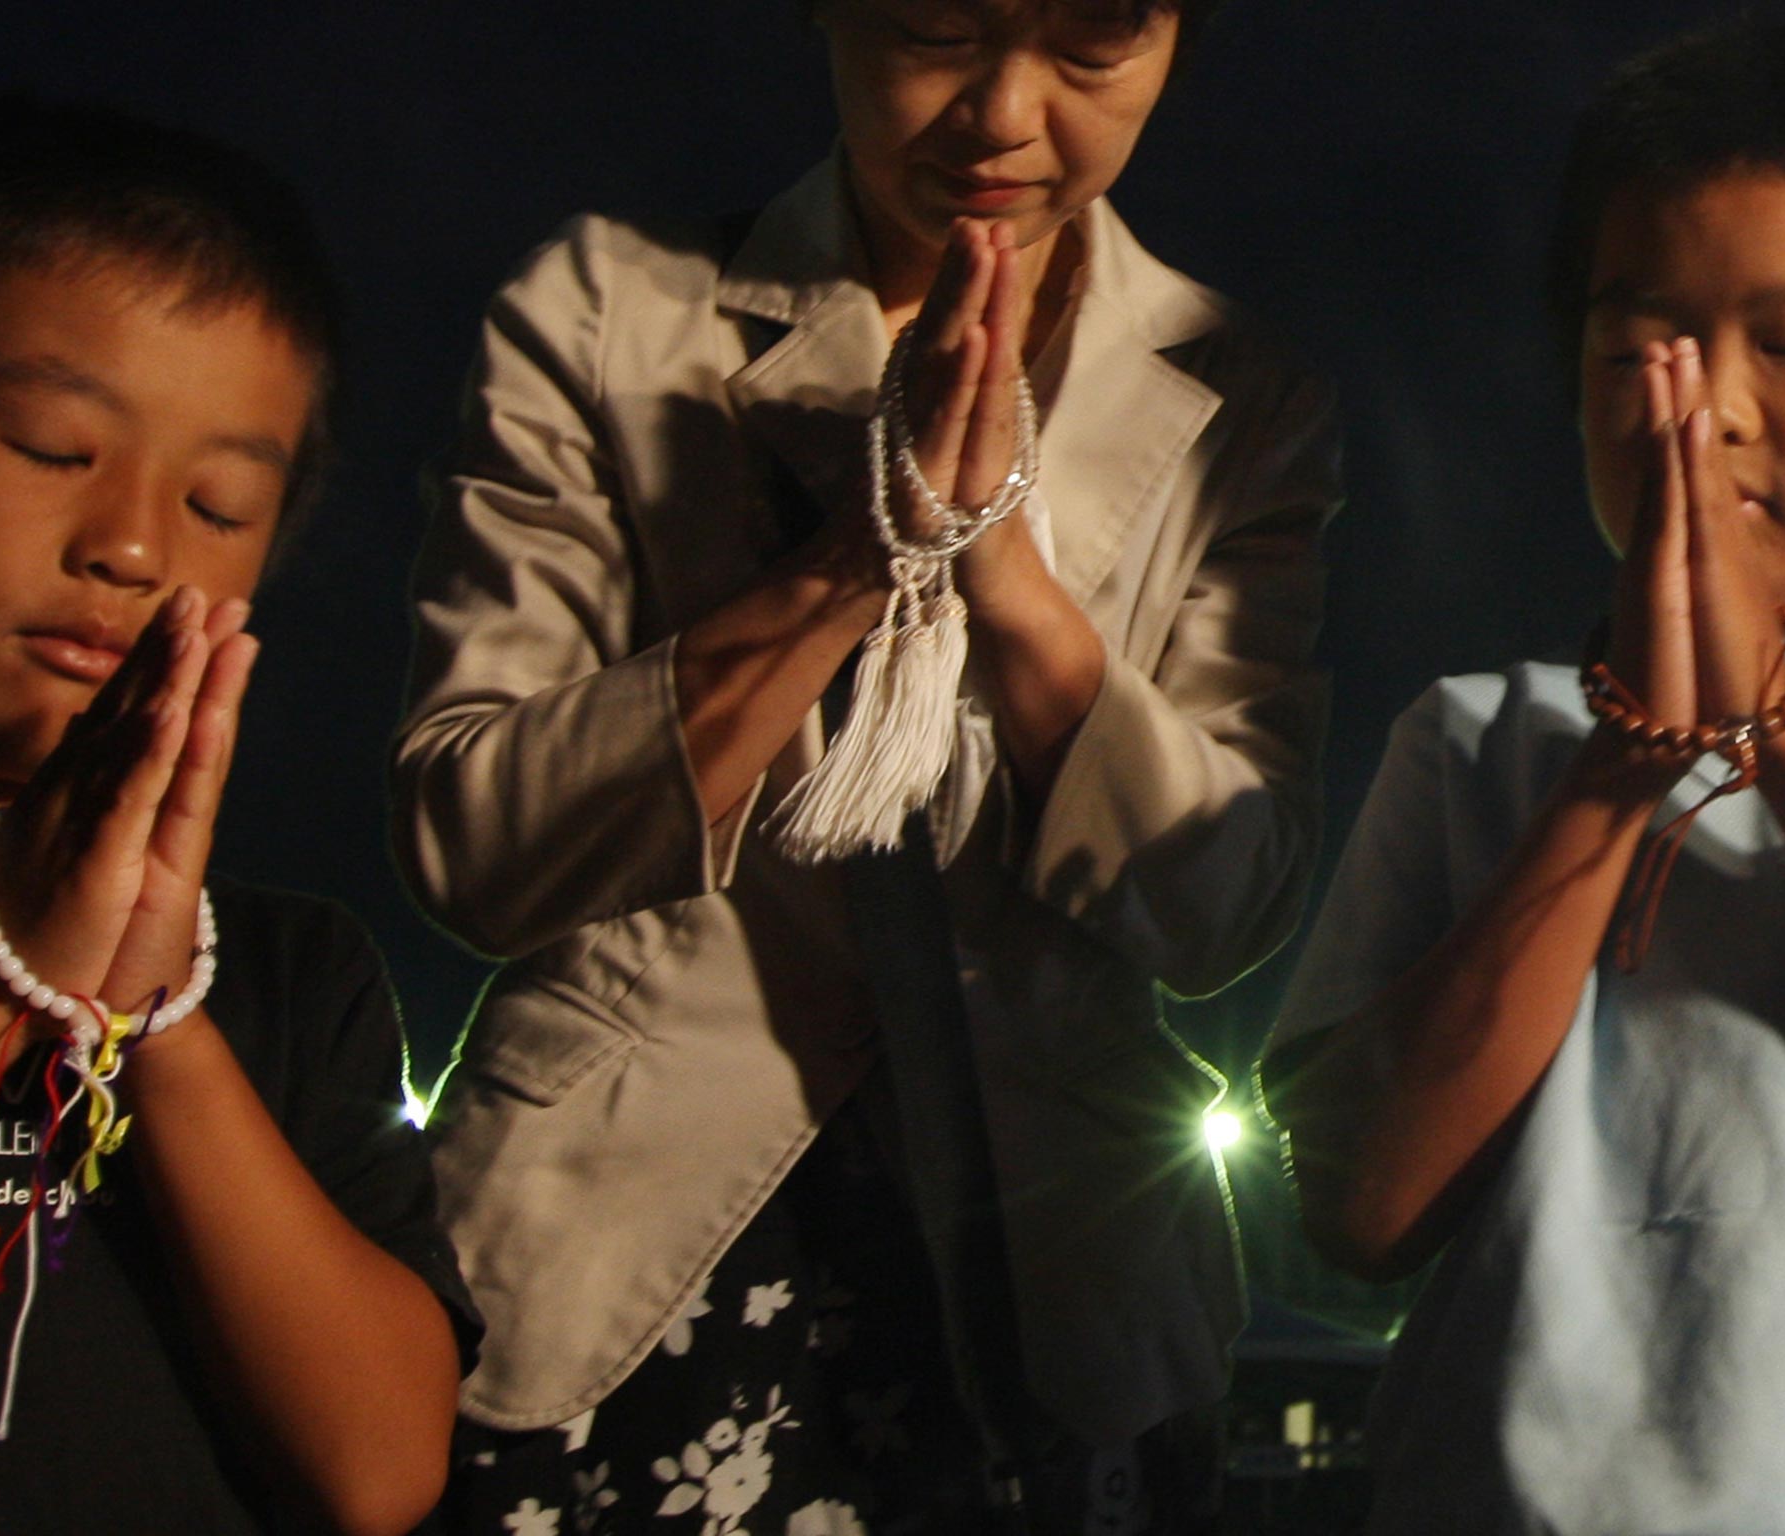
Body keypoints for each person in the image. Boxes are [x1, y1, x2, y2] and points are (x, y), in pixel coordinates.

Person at [394, 2, 1339, 1529]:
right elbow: (473, 847)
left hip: (1065, 1286)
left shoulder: (1245, 394)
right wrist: (859, 555)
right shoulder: (603, 316)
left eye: (1093, 43)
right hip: (622, 1256)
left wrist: (1010, 584)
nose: (1007, 114)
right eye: (935, 29)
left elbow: (1221, 911)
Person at [1264, 19, 1785, 1533]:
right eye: (1636, 350)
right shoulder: (1478, 736)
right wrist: (1628, 763)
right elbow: (1356, 1211)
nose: (1704, 408)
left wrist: (1779, 728)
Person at [0, 101, 474, 1534]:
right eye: (55, 448)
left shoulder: (284, 975)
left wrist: (155, 1010)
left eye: (219, 500)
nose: (130, 544)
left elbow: (379, 1471)